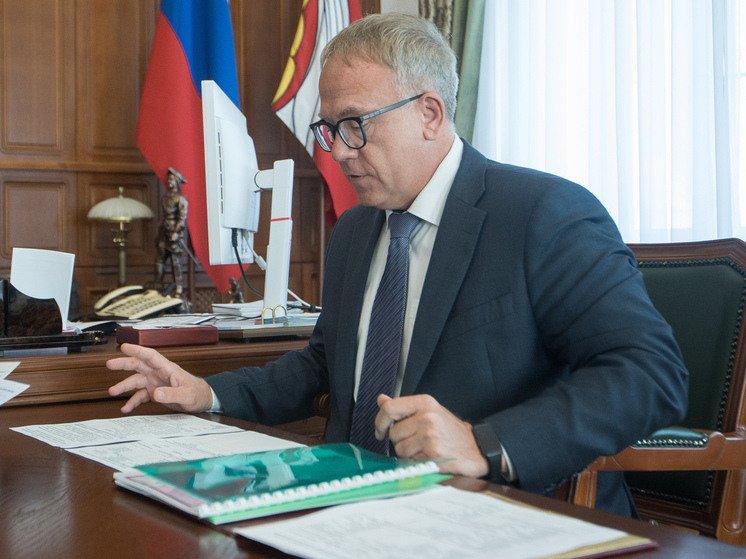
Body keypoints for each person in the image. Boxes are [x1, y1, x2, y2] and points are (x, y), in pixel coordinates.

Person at [107, 13, 688, 518]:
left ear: (429, 114)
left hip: (497, 510)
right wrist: (206, 392)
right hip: (350, 507)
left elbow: (650, 372)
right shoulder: (357, 230)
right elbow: (324, 366)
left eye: (355, 124)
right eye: (329, 129)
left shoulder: (542, 214)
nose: (339, 151)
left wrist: (484, 444)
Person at [155, 167, 188, 297]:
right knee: (160, 259)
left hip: (174, 233)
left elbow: (182, 217)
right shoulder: (164, 197)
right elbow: (163, 216)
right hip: (163, 232)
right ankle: (157, 284)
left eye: (172, 179)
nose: (170, 181)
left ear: (177, 181)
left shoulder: (181, 198)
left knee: (175, 262)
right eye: (168, 179)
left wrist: (176, 232)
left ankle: (178, 288)